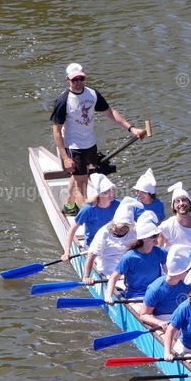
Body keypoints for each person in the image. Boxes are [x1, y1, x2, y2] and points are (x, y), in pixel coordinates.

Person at [50, 62, 146, 214]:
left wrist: (132, 128)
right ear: (67, 79)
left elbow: (110, 113)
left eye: (81, 78)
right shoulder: (63, 101)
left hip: (90, 143)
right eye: (75, 79)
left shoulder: (92, 94)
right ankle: (89, 217)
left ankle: (69, 206)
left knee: (79, 176)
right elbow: (56, 130)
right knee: (82, 184)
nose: (78, 82)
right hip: (73, 146)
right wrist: (65, 157)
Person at [104, 212, 167, 303]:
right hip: (136, 296)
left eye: (157, 235)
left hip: (155, 294)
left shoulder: (160, 252)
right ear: (144, 238)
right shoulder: (129, 257)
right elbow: (113, 278)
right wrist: (109, 296)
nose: (157, 238)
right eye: (154, 236)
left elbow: (168, 273)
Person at [61, 173, 119, 260]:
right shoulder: (88, 209)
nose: (111, 194)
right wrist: (66, 252)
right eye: (107, 192)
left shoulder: (118, 204)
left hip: (111, 243)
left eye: (112, 190)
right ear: (100, 194)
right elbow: (72, 230)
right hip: (92, 245)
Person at [139, 249, 191, 333]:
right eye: (188, 270)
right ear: (178, 273)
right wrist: (159, 322)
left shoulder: (188, 282)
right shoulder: (155, 289)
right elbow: (143, 315)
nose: (190, 271)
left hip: (181, 317)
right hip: (162, 320)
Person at [82, 203, 137, 281]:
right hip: (107, 267)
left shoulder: (134, 231)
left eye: (127, 227)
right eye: (121, 226)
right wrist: (86, 277)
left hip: (126, 266)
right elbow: (91, 256)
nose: (124, 229)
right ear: (114, 224)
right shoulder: (103, 234)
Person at [160, 182, 191, 255]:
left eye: (184, 200)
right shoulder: (166, 226)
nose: (181, 203)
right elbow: (158, 251)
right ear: (173, 207)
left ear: (190, 204)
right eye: (177, 201)